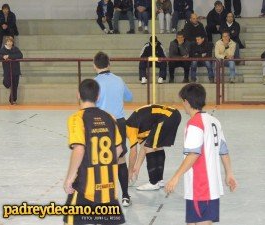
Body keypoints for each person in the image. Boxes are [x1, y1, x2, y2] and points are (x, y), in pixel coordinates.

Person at [165, 83, 237, 225]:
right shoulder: (214, 121)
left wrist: (175, 177)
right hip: (211, 187)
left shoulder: (194, 124)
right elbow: (224, 151)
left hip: (200, 186)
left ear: (186, 101)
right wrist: (229, 173)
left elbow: (193, 154)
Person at [63, 79, 125, 225]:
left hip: (85, 185)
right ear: (98, 96)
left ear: (78, 95)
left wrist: (69, 178)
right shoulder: (109, 117)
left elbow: (79, 149)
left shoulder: (77, 118)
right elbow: (119, 148)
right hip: (107, 185)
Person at [93, 52, 133, 207]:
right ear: (109, 63)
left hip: (101, 123)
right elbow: (129, 97)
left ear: (94, 65)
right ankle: (125, 196)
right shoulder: (119, 80)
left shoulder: (94, 83)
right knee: (120, 159)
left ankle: (103, 196)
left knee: (101, 160)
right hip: (120, 123)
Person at [126, 104, 181, 191]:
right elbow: (144, 147)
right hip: (174, 115)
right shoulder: (139, 128)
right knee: (157, 147)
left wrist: (129, 172)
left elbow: (133, 153)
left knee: (151, 147)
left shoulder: (130, 127)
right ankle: (159, 180)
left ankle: (153, 182)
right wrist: (136, 169)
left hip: (167, 117)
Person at [0, 36, 23, 105]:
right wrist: (2, 57)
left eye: (11, 41)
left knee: (15, 86)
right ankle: (12, 98)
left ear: (12, 42)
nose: (9, 43)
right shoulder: (2, 50)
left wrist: (9, 56)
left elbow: (20, 55)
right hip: (7, 70)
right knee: (7, 83)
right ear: (6, 42)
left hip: (16, 70)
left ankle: (13, 100)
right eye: (8, 41)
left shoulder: (15, 49)